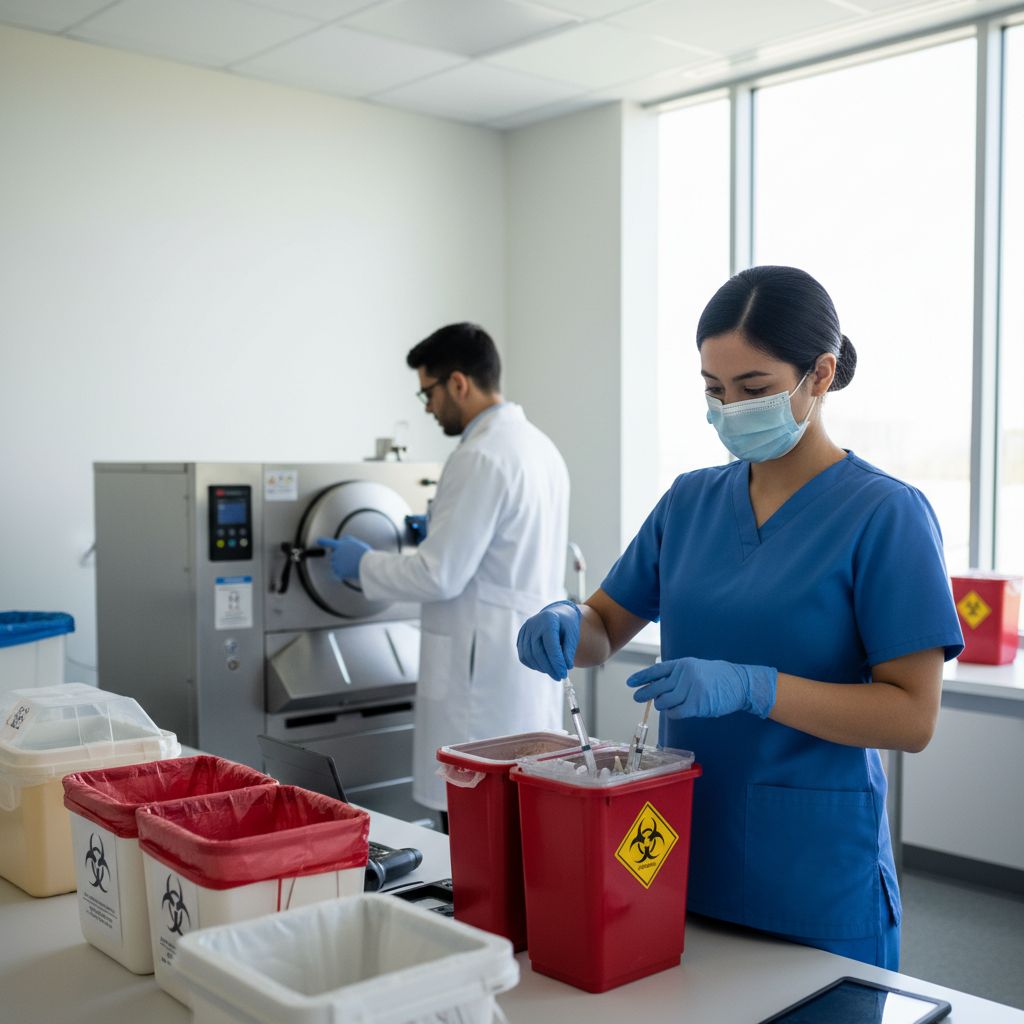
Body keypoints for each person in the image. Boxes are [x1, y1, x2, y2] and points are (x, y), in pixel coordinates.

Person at [516, 266, 963, 969]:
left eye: (753, 389)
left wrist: (757, 687)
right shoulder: (690, 503)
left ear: (819, 374)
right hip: (671, 853)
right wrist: (567, 620)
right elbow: (605, 626)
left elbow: (912, 717)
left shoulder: (885, 514)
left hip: (813, 880)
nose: (729, 410)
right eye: (713, 390)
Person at [319, 322, 570, 823]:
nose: (429, 407)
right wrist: (437, 527)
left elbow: (440, 576)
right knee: (519, 816)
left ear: (459, 383)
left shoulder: (479, 455)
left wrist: (361, 564)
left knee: (475, 821)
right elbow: (496, 547)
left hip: (482, 677)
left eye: (427, 392)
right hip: (521, 665)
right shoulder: (539, 447)